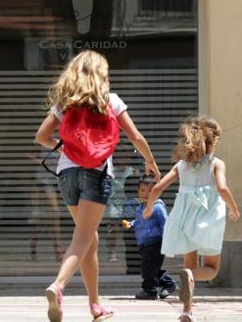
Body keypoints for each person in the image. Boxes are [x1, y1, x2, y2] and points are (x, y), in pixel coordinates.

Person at [35, 50, 160, 322]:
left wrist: (65, 147)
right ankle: (58, 286)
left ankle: (95, 306)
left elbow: (41, 136)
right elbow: (135, 136)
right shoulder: (110, 101)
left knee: (90, 240)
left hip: (66, 175)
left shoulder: (65, 103)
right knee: (82, 239)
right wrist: (150, 161)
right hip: (96, 173)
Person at [144, 116, 240, 322]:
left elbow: (158, 187)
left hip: (184, 220)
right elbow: (222, 188)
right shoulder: (216, 163)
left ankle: (186, 311)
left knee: (189, 266)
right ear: (213, 141)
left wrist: (148, 209)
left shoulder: (181, 165)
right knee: (211, 269)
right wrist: (233, 209)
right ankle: (190, 286)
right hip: (208, 220)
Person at [123, 174, 178, 300]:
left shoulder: (157, 206)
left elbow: (165, 223)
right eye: (142, 190)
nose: (145, 194)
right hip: (144, 243)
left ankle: (149, 291)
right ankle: (169, 284)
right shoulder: (140, 207)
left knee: (147, 269)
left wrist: (167, 241)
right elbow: (140, 221)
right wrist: (131, 224)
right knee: (152, 268)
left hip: (155, 242)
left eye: (150, 191)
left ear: (157, 191)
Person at [121, 174, 141, 275]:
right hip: (135, 229)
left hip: (129, 231)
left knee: (130, 250)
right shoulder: (136, 202)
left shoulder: (127, 202)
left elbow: (125, 217)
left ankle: (132, 268)